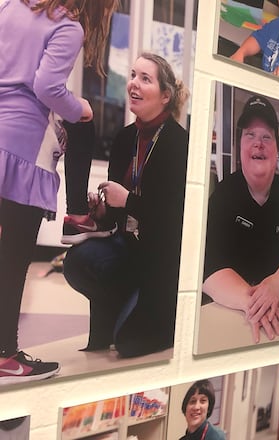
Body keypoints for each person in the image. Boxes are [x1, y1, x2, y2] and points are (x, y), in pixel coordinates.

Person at [0, 0, 116, 384]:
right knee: (13, 260)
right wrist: (80, 108)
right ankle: (5, 356)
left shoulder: (10, 5)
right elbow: (47, 86)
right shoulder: (67, 26)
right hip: (23, 148)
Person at [63, 53, 189, 358]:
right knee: (77, 261)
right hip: (128, 248)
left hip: (161, 261)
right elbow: (116, 218)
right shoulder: (124, 138)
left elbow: (175, 218)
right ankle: (121, 305)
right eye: (132, 75)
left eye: (145, 78)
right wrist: (103, 212)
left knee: (129, 344)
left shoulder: (179, 142)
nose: (133, 83)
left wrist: (128, 200)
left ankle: (149, 312)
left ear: (165, 96)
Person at [202, 94, 279, 343]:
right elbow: (208, 267)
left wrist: (274, 284)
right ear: (240, 147)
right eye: (250, 135)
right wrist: (254, 303)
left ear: (277, 150)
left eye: (266, 137)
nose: (258, 144)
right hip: (234, 316)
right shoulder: (224, 195)